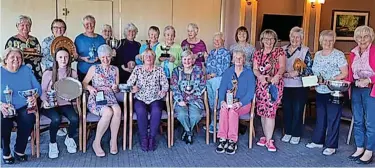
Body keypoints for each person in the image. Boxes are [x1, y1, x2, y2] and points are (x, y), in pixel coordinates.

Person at [306, 30, 348, 156]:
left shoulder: (339, 55)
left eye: (330, 40)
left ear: (334, 41)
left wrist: (331, 80)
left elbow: (345, 73)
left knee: (333, 119)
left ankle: (331, 145)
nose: (327, 43)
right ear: (321, 41)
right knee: (321, 117)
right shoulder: (318, 54)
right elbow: (315, 71)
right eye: (325, 40)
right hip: (320, 90)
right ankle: (318, 141)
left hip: (334, 91)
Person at [1, 47, 42, 164]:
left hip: (23, 105)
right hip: (4, 106)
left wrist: (34, 97)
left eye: (18, 57)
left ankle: (19, 150)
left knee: (29, 117)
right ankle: (6, 150)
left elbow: (38, 88)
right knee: (3, 121)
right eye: (12, 57)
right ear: (6, 59)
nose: (16, 60)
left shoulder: (26, 70)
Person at [82, 44, 121, 157]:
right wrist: (89, 87)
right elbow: (84, 83)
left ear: (111, 56)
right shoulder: (94, 68)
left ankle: (113, 141)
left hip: (110, 96)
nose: (106, 59)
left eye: (108, 56)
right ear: (99, 57)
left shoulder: (115, 69)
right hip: (96, 96)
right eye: (103, 57)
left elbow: (117, 88)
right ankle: (96, 142)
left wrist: (115, 87)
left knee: (117, 110)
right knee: (108, 112)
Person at [127, 49, 169, 151]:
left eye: (151, 56)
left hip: (155, 98)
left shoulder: (159, 69)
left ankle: (152, 137)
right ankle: (144, 138)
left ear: (154, 58)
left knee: (156, 111)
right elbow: (129, 83)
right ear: (142, 58)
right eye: (146, 56)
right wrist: (133, 88)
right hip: (140, 98)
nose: (148, 58)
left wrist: (163, 90)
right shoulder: (137, 69)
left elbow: (165, 84)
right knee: (141, 111)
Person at [40, 48, 79, 159]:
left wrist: (73, 96)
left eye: (66, 57)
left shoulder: (72, 72)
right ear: (56, 59)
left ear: (69, 58)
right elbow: (42, 91)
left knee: (75, 118)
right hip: (50, 104)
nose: (63, 60)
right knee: (56, 119)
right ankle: (52, 143)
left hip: (65, 103)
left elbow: (76, 89)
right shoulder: (48, 73)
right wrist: (45, 101)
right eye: (60, 57)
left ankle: (69, 137)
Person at [215, 50, 256, 155]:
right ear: (232, 59)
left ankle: (232, 140)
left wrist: (240, 103)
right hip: (229, 100)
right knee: (224, 109)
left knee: (233, 111)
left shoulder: (249, 73)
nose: (238, 59)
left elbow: (250, 93)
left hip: (243, 103)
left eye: (240, 58)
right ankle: (223, 138)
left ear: (244, 60)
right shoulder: (228, 72)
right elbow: (222, 88)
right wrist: (222, 101)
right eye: (236, 57)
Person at [253, 29, 286, 152]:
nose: (269, 41)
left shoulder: (279, 51)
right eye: (266, 39)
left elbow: (282, 67)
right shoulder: (257, 53)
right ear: (262, 40)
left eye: (271, 39)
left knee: (271, 112)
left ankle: (269, 140)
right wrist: (260, 76)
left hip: (274, 85)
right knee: (262, 111)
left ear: (275, 40)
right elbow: (255, 69)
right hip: (261, 85)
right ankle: (266, 136)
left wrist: (277, 76)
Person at [347, 25, 375, 164]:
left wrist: (369, 80)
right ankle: (359, 147)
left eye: (366, 36)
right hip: (356, 89)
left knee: (370, 122)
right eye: (359, 36)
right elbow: (350, 73)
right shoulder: (353, 53)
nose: (362, 39)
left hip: (371, 89)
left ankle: (369, 151)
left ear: (371, 38)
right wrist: (346, 82)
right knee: (358, 120)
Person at [281, 27, 313, 145]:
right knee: (287, 109)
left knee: (298, 110)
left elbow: (310, 68)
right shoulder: (282, 49)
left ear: (301, 39)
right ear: (289, 37)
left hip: (299, 86)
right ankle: (288, 132)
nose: (295, 39)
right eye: (293, 36)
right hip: (284, 85)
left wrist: (298, 72)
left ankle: (296, 134)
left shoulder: (305, 50)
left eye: (298, 37)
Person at [170, 50, 206, 144]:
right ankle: (189, 133)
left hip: (195, 100)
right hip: (180, 100)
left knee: (196, 115)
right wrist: (180, 100)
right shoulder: (176, 71)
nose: (187, 61)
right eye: (185, 59)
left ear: (193, 60)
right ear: (181, 60)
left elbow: (202, 86)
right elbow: (173, 87)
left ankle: (187, 131)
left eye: (189, 59)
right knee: (182, 114)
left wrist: (191, 97)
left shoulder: (198, 70)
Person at [205, 32, 231, 133]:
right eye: (214, 40)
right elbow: (207, 65)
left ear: (223, 41)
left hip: (219, 79)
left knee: (218, 101)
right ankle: (213, 124)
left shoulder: (226, 53)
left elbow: (225, 68)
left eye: (218, 40)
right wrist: (207, 75)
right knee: (211, 102)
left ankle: (220, 125)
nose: (216, 41)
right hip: (210, 80)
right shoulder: (211, 52)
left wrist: (213, 75)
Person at [5, 15, 42, 82]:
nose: (25, 27)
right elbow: (6, 59)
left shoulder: (34, 40)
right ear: (17, 26)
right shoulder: (12, 40)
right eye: (22, 25)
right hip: (18, 72)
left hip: (35, 72)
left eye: (27, 25)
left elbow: (39, 55)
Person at [74, 15, 106, 81]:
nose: (89, 25)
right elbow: (74, 57)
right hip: (83, 71)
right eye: (87, 24)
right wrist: (83, 59)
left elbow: (105, 55)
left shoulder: (101, 39)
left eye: (91, 23)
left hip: (99, 72)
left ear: (95, 24)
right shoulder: (79, 39)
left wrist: (99, 58)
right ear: (83, 25)